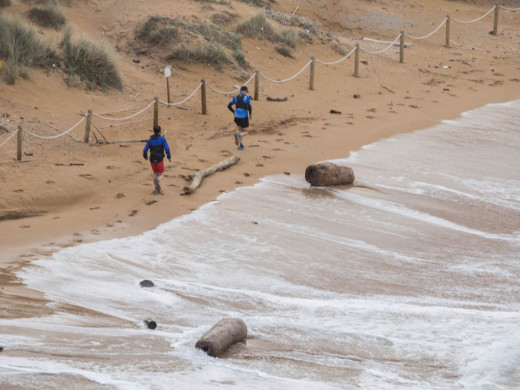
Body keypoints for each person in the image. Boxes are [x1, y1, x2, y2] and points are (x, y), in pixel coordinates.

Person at [143, 125, 171, 195]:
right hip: (159, 160)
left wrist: (145, 156)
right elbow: (167, 149)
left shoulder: (150, 140)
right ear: (160, 131)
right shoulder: (162, 139)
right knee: (161, 174)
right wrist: (169, 157)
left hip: (152, 160)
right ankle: (157, 181)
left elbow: (145, 150)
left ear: (153, 131)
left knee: (155, 174)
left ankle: (155, 190)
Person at [227, 85, 252, 150]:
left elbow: (229, 105)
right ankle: (239, 136)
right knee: (246, 132)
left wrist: (233, 112)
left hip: (237, 117)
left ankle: (240, 145)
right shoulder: (246, 97)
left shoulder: (235, 97)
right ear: (245, 91)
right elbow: (249, 106)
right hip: (244, 117)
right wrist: (250, 114)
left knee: (240, 130)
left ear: (240, 91)